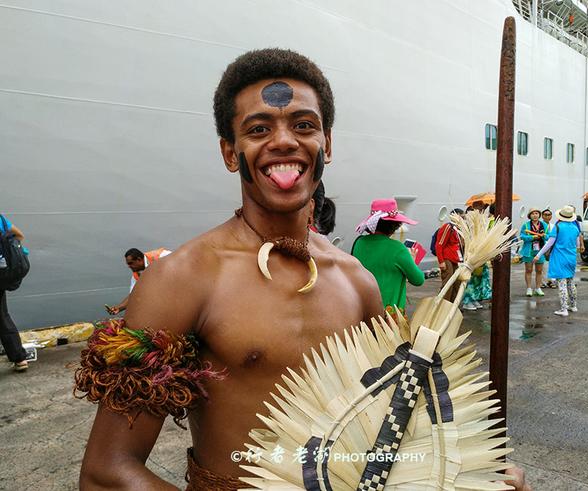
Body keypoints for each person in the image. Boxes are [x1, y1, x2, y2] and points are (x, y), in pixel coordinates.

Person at [78, 48, 384, 490]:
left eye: (304, 125)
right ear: (229, 152)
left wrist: (472, 475)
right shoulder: (183, 278)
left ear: (327, 145)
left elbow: (399, 416)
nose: (283, 141)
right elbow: (107, 472)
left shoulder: (358, 282)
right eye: (259, 129)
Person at [352, 198, 424, 316]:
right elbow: (418, 280)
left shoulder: (359, 242)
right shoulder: (398, 249)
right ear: (395, 225)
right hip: (387, 318)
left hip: (361, 311)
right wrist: (413, 260)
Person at [534, 205, 581, 316]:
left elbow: (549, 243)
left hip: (560, 257)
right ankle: (573, 306)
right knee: (570, 282)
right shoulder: (575, 228)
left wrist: (538, 255)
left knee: (561, 283)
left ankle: (563, 309)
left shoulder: (558, 226)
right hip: (572, 257)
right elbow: (577, 244)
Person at [0, 214, 29, 372]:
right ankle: (19, 358)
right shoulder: (1, 219)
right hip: (3, 273)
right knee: (2, 317)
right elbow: (19, 235)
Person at [105, 247, 172, 314]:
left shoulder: (162, 255)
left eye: (131, 263)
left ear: (139, 259)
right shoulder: (136, 276)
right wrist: (118, 308)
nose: (129, 266)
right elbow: (134, 295)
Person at [435, 208, 465, 303]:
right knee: (448, 283)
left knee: (457, 283)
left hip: (456, 259)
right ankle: (443, 304)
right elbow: (439, 244)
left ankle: (452, 304)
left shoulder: (458, 228)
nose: (463, 219)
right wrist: (441, 261)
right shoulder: (448, 227)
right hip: (447, 259)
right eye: (462, 216)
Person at [519, 208, 549, 297]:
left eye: (536, 213)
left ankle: (538, 288)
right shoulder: (526, 225)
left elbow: (549, 237)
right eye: (532, 213)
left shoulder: (544, 225)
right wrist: (532, 238)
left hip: (540, 251)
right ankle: (529, 288)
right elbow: (522, 236)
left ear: (539, 215)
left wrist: (544, 236)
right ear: (530, 215)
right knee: (528, 270)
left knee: (539, 270)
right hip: (529, 251)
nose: (535, 215)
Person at [540, 208, 557, 289]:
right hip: (542, 247)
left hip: (552, 247)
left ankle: (552, 281)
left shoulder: (553, 225)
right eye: (545, 215)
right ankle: (543, 282)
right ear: (542, 216)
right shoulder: (540, 224)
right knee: (543, 266)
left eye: (549, 215)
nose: (547, 216)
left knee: (552, 265)